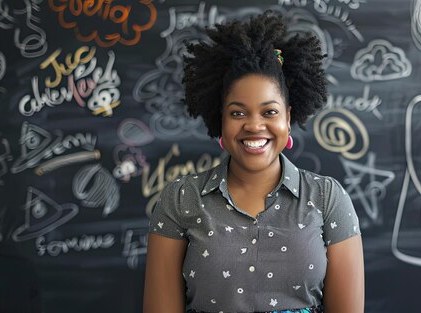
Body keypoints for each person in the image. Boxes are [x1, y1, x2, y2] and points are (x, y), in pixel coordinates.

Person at [144, 11, 364, 313]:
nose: (254, 125)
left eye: (269, 112)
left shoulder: (327, 200)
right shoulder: (180, 200)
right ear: (219, 119)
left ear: (288, 117)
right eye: (237, 113)